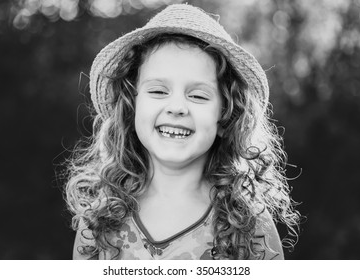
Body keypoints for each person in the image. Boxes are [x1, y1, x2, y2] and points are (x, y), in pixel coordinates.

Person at [65, 3, 300, 260]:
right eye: (158, 91)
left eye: (198, 95)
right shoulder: (100, 222)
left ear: (225, 117)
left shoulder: (248, 223)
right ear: (131, 109)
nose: (177, 107)